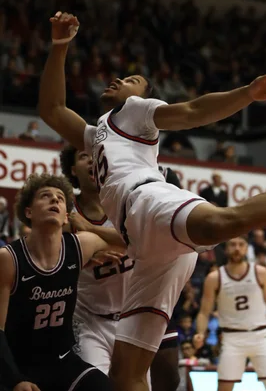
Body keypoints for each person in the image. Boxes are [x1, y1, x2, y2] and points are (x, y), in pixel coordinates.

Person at [39, 11, 266, 391]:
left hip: (146, 201)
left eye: (132, 81)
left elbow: (192, 112)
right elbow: (52, 109)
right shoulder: (96, 135)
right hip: (143, 245)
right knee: (126, 376)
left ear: (142, 96)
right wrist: (60, 46)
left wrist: (247, 93)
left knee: (221, 223)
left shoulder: (133, 112)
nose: (120, 80)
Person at [61, 146, 190, 391]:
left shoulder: (125, 198)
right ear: (72, 169)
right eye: (84, 156)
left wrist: (91, 232)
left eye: (95, 155)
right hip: (91, 318)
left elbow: (142, 239)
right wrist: (82, 254)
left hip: (138, 308)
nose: (92, 161)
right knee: (98, 386)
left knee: (163, 378)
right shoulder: (67, 212)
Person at [0, 173, 121, 391]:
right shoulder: (9, 259)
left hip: (62, 361)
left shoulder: (80, 246)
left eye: (60, 198)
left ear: (66, 216)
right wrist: (15, 379)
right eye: (45, 196)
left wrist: (91, 227)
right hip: (18, 365)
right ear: (28, 212)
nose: (54, 199)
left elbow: (132, 242)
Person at [196, 235, 266, 391]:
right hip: (232, 339)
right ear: (226, 249)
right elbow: (204, 312)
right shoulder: (214, 278)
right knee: (223, 387)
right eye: (233, 244)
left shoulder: (261, 272)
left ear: (246, 248)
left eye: (241, 244)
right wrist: (200, 333)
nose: (237, 248)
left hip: (261, 337)